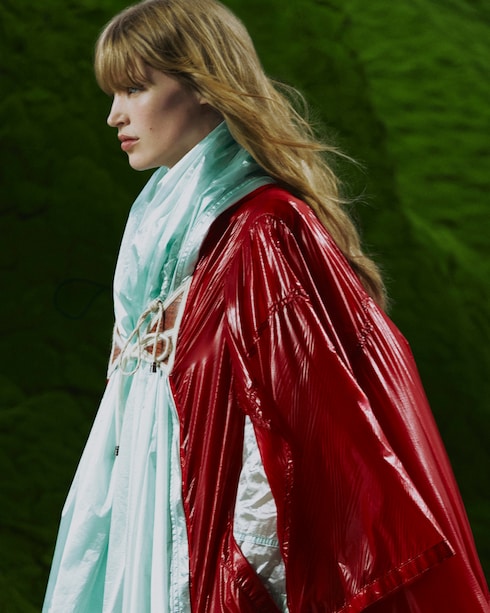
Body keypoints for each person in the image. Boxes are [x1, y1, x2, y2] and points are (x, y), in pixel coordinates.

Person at [43, 0, 489, 611]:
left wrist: (242, 572)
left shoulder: (263, 228)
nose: (114, 113)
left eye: (135, 88)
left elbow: (303, 426)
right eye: (114, 93)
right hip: (140, 524)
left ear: (204, 85)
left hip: (203, 550)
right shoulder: (160, 228)